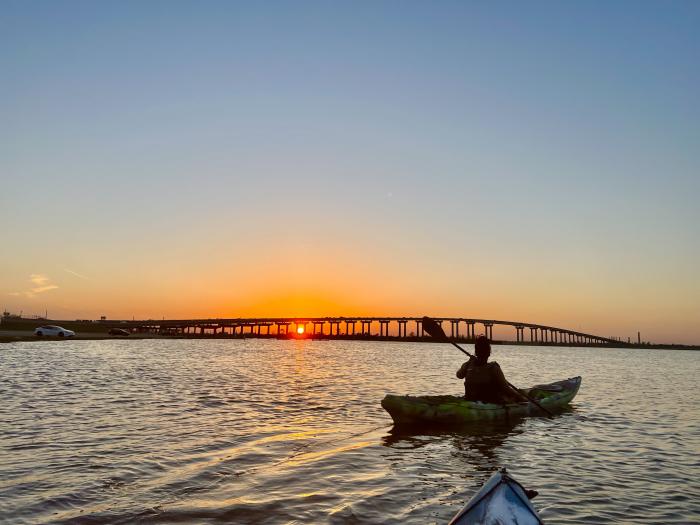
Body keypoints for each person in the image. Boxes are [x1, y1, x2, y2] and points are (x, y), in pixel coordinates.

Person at [456, 336, 525, 404]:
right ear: (489, 353)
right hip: (489, 403)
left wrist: (469, 362)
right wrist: (522, 398)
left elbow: (459, 375)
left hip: (470, 400)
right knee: (509, 395)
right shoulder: (493, 368)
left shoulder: (467, 365)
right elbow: (506, 389)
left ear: (476, 352)